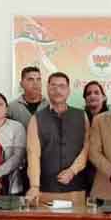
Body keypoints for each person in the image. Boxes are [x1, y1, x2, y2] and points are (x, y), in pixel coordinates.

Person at [25, 72, 90, 206]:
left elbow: (87, 148)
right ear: (47, 89)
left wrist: (73, 171)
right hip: (46, 189)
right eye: (53, 86)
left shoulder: (81, 115)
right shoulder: (36, 119)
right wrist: (34, 186)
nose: (57, 90)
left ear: (68, 90)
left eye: (62, 86)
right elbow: (33, 154)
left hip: (76, 188)